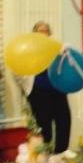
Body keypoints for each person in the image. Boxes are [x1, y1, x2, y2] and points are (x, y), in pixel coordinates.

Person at [20, 22, 72, 152]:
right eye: (39, 30)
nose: (43, 33)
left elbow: (67, 62)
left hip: (58, 90)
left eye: (45, 31)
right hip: (38, 92)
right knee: (44, 126)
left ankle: (61, 153)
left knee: (64, 122)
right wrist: (27, 88)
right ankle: (45, 156)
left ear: (49, 34)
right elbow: (18, 70)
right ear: (34, 33)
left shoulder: (56, 48)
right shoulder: (28, 50)